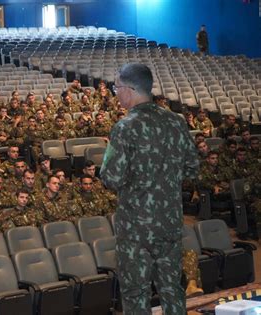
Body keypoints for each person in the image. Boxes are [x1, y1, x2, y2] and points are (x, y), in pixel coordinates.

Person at [100, 63, 199, 314]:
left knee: (136, 294)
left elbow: (110, 177)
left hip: (136, 228)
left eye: (116, 87)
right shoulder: (176, 121)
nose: (116, 93)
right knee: (172, 289)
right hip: (169, 222)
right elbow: (192, 168)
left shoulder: (125, 127)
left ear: (129, 90)